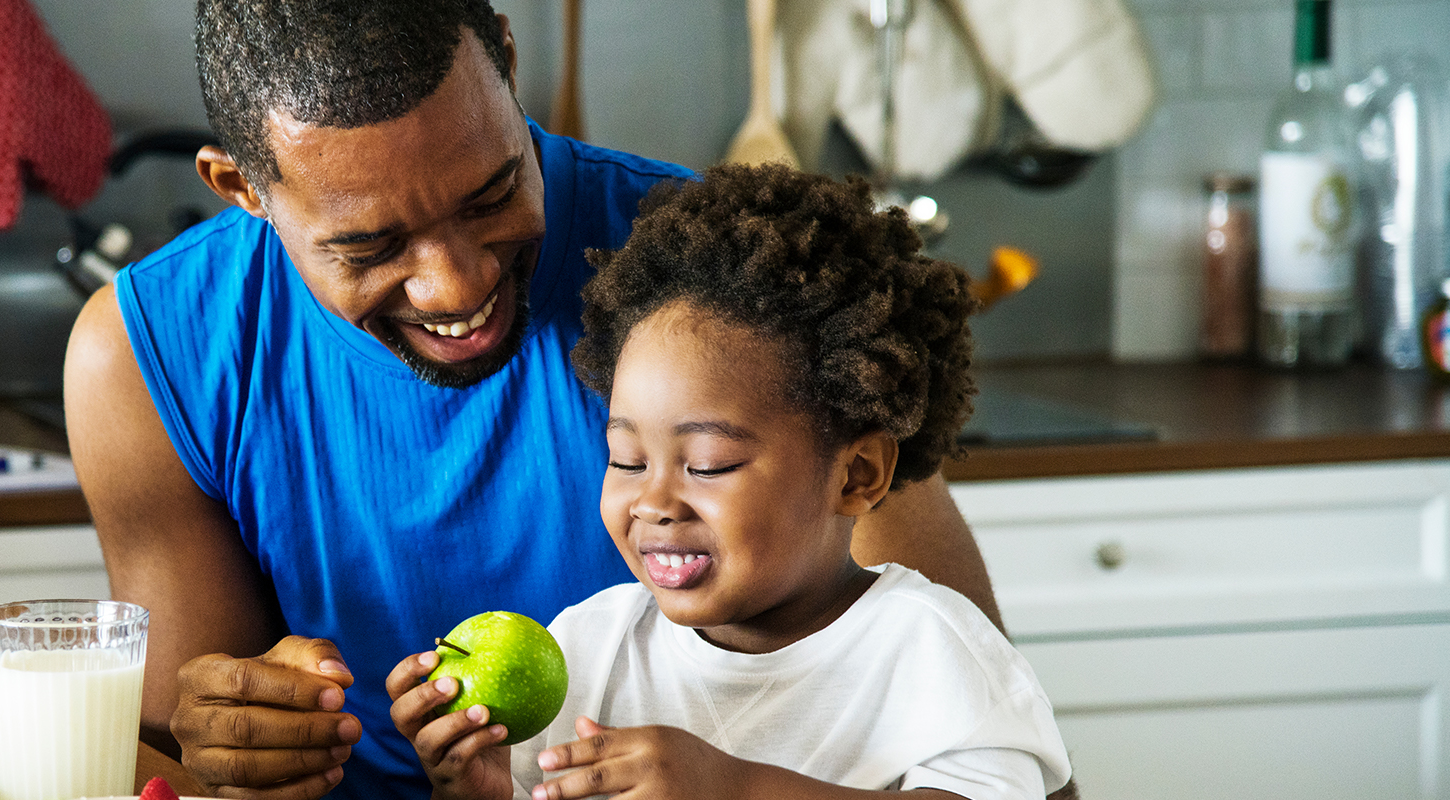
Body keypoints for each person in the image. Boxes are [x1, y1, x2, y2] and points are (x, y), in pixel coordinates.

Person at [62, 2, 1005, 798]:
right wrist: (226, 730)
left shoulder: (734, 296)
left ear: (507, 64)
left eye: (491, 193)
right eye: (370, 247)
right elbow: (171, 751)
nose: (454, 286)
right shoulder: (146, 355)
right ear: (241, 189)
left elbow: (1000, 758)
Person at [387, 163, 1072, 800]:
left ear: (857, 476)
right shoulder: (591, 649)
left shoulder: (929, 648)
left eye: (708, 465)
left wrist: (736, 789)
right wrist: (484, 792)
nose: (653, 502)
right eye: (626, 459)